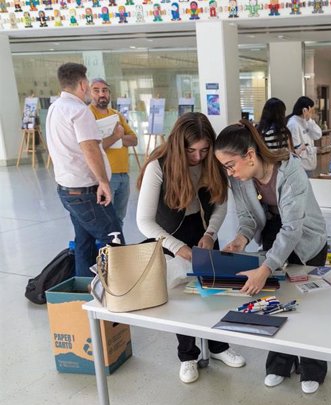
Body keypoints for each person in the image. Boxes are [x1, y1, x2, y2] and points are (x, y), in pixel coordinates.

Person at [214, 120, 329, 394]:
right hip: (271, 237)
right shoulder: (240, 180)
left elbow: (292, 229)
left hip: (306, 243)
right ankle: (279, 363)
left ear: (250, 155)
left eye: (230, 165)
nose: (229, 172)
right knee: (275, 302)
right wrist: (240, 240)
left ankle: (312, 367)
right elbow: (247, 218)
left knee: (307, 307)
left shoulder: (292, 173)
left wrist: (265, 268)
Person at [136, 112, 246, 384]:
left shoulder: (213, 162)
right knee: (182, 299)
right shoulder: (158, 167)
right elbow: (144, 221)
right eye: (191, 151)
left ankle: (218, 346)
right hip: (170, 236)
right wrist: (177, 248)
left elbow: (221, 203)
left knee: (214, 291)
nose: (198, 157)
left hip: (203, 231)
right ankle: (187, 355)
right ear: (178, 145)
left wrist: (210, 234)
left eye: (204, 150)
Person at [46, 62, 122, 277]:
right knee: (113, 239)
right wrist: (104, 182)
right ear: (82, 84)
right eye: (88, 84)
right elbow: (90, 148)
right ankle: (115, 294)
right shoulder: (79, 111)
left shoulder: (55, 108)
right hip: (86, 191)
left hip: (67, 189)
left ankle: (84, 291)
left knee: (84, 242)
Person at [89, 78, 138, 231]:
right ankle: (106, 251)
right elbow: (94, 147)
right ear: (90, 93)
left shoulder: (116, 115)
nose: (101, 94)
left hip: (124, 175)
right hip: (106, 176)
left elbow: (134, 140)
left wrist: (119, 137)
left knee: (119, 218)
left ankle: (118, 249)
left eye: (104, 90)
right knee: (106, 219)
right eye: (96, 90)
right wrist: (116, 137)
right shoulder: (88, 115)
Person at [287, 96, 322, 173]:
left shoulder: (306, 121)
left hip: (310, 165)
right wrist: (312, 150)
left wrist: (309, 119)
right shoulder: (293, 124)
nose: (312, 113)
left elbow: (318, 135)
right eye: (311, 110)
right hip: (301, 168)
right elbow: (296, 150)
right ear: (304, 110)